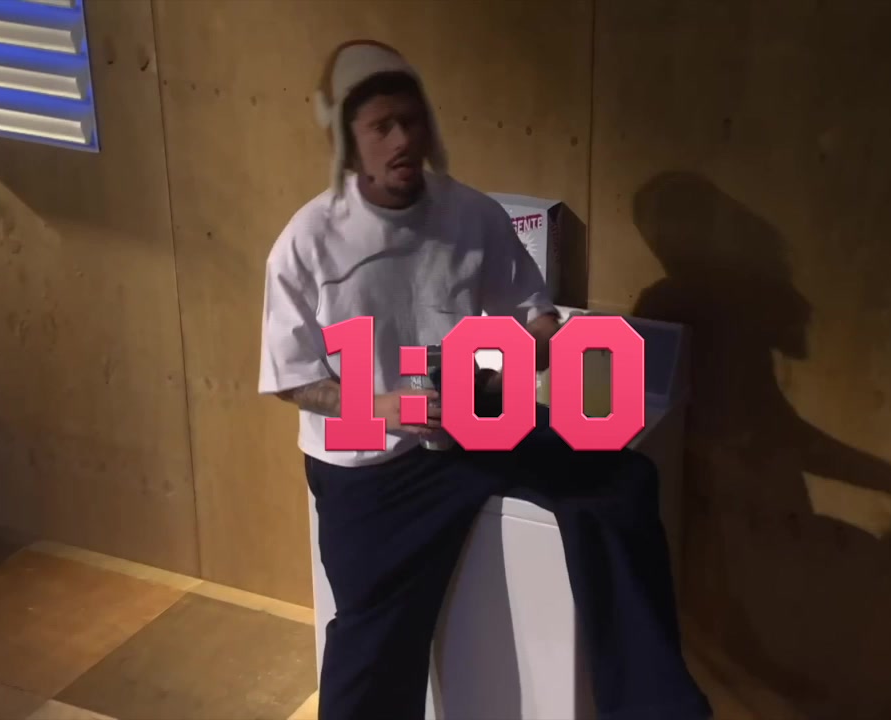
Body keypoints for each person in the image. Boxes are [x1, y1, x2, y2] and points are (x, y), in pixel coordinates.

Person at [257, 39, 711, 720]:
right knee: (371, 654)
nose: (403, 140)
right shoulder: (305, 242)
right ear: (347, 140)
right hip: (370, 467)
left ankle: (655, 709)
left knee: (622, 485)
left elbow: (535, 316)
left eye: (412, 121)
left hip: (476, 424)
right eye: (382, 126)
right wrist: (383, 405)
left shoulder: (471, 215)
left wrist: (518, 355)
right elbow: (291, 379)